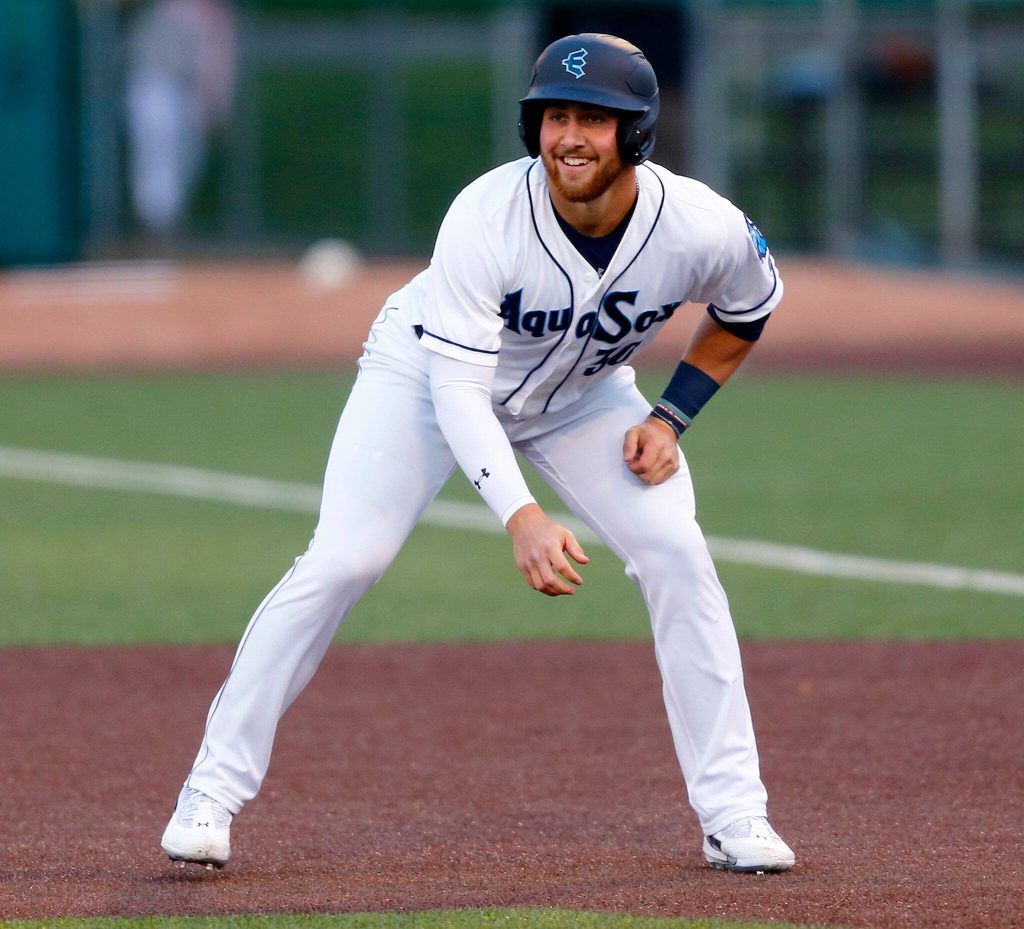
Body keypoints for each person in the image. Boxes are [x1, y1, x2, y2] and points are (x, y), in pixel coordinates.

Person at [161, 33, 796, 875]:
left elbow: (748, 308)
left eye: (594, 120)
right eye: (555, 116)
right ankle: (210, 793)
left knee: (678, 552)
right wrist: (521, 514)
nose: (569, 136)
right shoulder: (487, 215)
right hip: (424, 376)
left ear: (636, 134)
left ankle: (734, 813)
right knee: (345, 559)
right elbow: (461, 392)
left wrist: (672, 417)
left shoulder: (697, 224)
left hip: (584, 396)